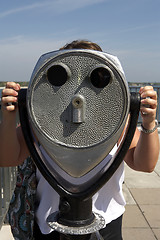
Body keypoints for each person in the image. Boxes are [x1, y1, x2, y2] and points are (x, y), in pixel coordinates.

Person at [0, 40, 159, 240]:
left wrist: (148, 121)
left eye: (97, 79)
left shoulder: (116, 122)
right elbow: (7, 158)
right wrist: (8, 116)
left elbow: (144, 164)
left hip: (107, 221)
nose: (79, 94)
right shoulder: (40, 121)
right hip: (49, 225)